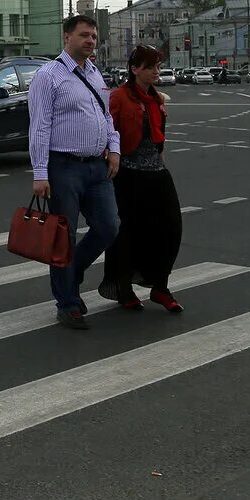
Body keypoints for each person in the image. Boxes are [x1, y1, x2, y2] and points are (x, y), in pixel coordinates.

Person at [28, 14, 121, 330]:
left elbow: (107, 117)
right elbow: (39, 126)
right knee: (63, 238)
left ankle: (73, 271)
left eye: (93, 36)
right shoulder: (49, 76)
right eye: (84, 35)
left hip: (97, 165)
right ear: (67, 37)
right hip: (63, 167)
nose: (90, 41)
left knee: (109, 227)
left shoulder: (95, 74)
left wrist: (115, 149)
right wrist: (40, 173)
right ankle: (67, 303)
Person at [98, 45, 184, 312]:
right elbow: (107, 132)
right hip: (128, 175)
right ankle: (124, 287)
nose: (157, 71)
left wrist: (161, 156)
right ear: (135, 69)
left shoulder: (156, 98)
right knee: (129, 234)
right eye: (151, 67)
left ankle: (160, 286)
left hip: (157, 173)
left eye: (158, 66)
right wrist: (111, 158)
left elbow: (159, 136)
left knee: (170, 229)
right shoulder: (119, 97)